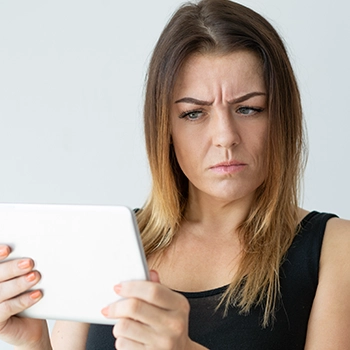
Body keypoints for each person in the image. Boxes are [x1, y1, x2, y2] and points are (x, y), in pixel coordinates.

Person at [1, 0, 350, 349]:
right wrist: (32, 342)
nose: (226, 136)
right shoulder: (105, 242)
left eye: (248, 108)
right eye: (194, 113)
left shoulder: (335, 249)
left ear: (281, 117)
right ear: (164, 128)